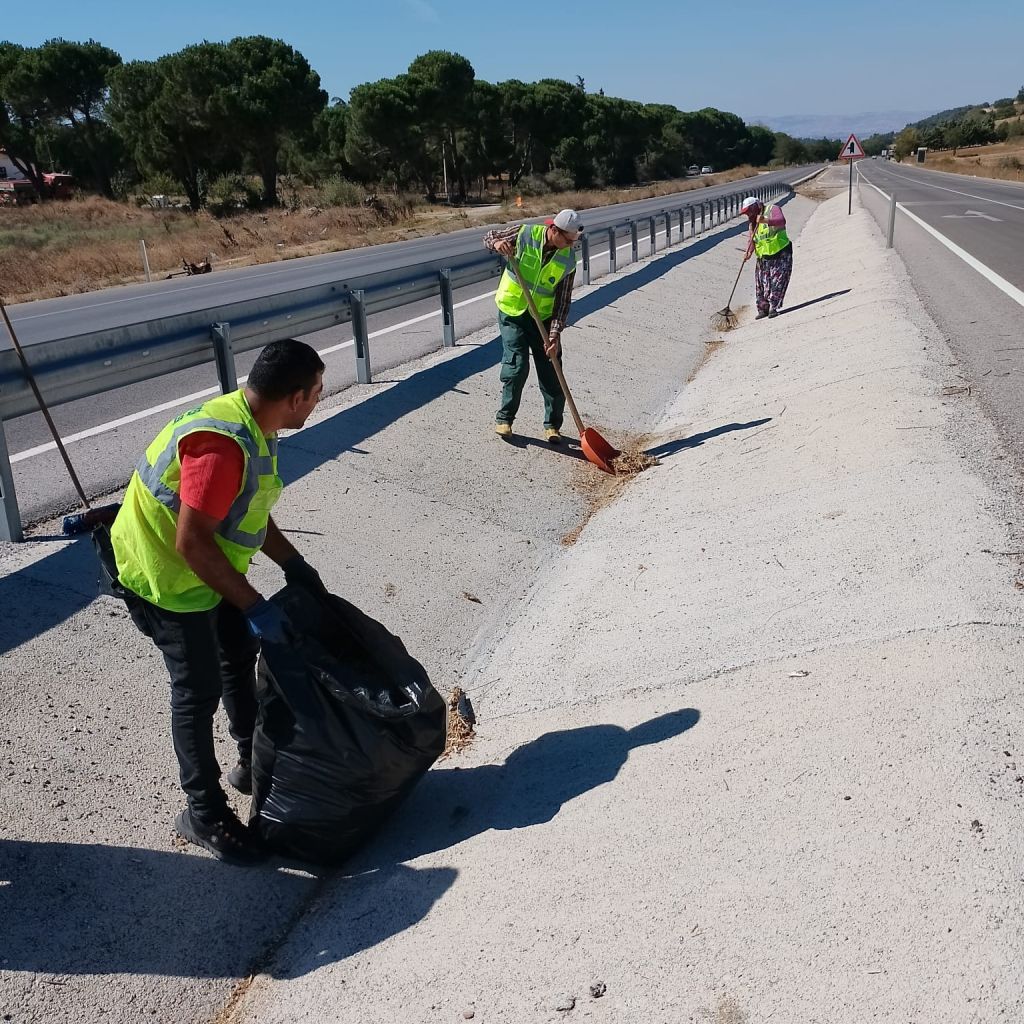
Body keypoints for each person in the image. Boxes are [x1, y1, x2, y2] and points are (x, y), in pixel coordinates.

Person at [110, 339, 327, 864]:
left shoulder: (256, 425)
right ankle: (202, 812)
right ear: (295, 398)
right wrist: (254, 604)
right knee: (197, 689)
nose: (320, 400)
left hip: (211, 571)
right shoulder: (222, 446)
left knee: (237, 659)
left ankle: (250, 764)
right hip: (167, 577)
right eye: (317, 393)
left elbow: (247, 509)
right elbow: (191, 542)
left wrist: (292, 563)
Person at [483, 209, 582, 443]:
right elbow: (489, 236)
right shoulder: (525, 233)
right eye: (567, 240)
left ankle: (552, 426)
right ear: (554, 230)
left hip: (544, 319)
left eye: (574, 241)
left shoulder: (568, 259)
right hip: (513, 311)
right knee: (516, 366)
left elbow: (563, 302)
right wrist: (497, 243)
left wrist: (555, 335)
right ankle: (504, 419)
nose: (570, 245)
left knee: (552, 370)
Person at [740, 196, 793, 319]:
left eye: (749, 211)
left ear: (756, 207)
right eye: (746, 213)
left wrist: (765, 220)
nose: (749, 215)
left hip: (781, 253)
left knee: (777, 282)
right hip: (763, 257)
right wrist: (749, 252)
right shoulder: (752, 223)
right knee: (761, 285)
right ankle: (763, 309)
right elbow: (752, 239)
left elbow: (781, 221)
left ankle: (773, 307)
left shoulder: (772, 209)